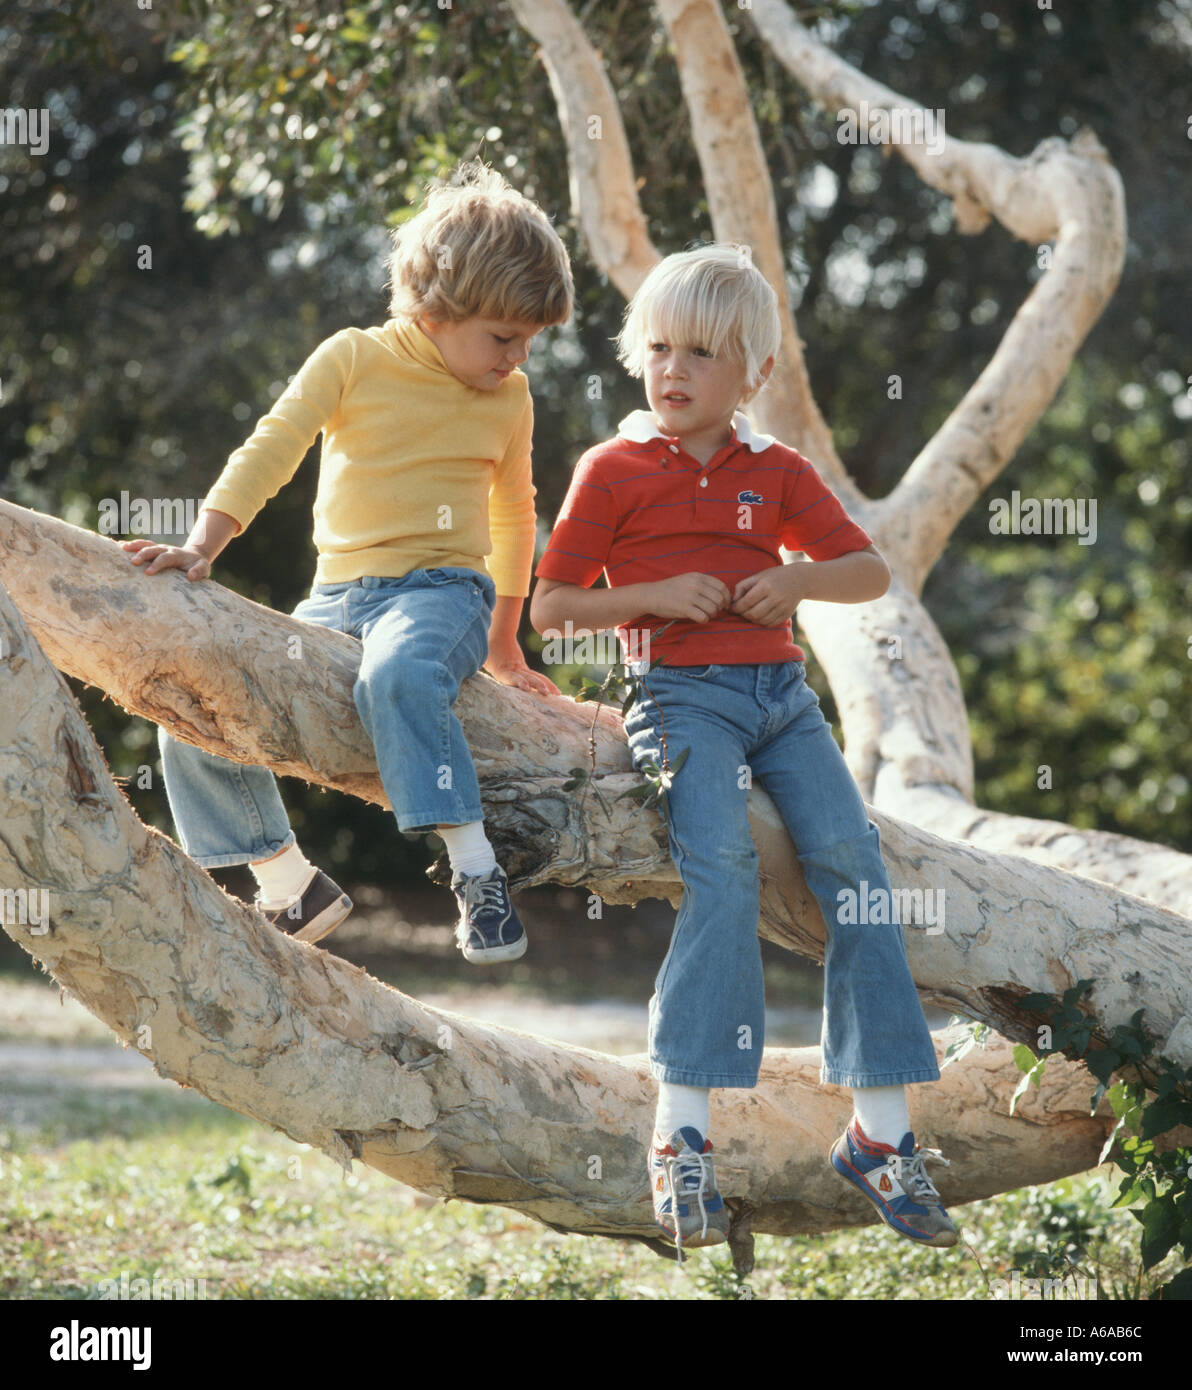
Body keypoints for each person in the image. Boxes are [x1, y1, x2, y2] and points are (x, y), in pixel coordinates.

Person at [530, 244, 954, 1258]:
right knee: (717, 868)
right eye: (659, 347)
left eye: (703, 354)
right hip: (680, 701)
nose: (672, 371)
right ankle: (681, 1135)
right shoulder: (614, 469)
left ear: (752, 374)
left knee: (853, 867)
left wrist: (796, 584)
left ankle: (881, 1135)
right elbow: (550, 605)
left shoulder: (778, 471)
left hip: (780, 699)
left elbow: (865, 570)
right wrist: (652, 598)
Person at [123, 160, 572, 964]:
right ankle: (291, 883)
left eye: (531, 341)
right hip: (336, 599)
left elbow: (514, 514)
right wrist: (201, 546)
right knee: (194, 699)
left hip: (444, 593)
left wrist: (505, 641)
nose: (518, 357)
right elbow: (275, 445)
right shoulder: (353, 358)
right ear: (441, 304)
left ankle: (475, 873)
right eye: (505, 336)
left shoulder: (510, 399)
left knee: (397, 674)